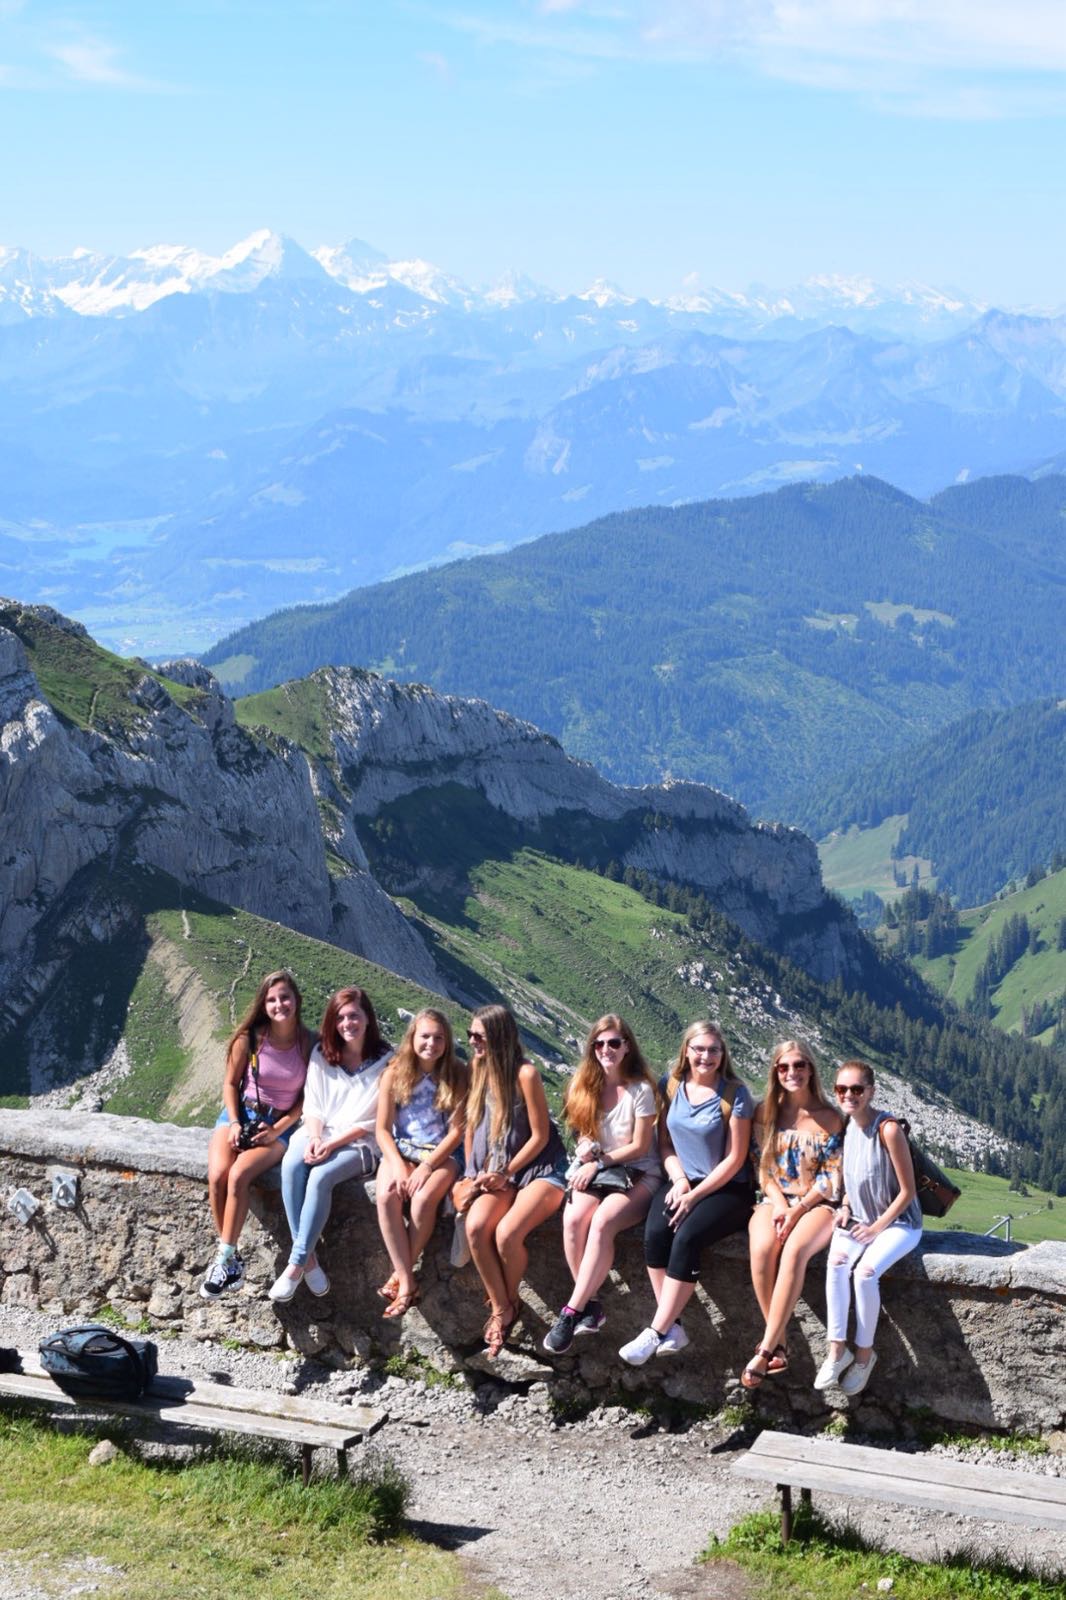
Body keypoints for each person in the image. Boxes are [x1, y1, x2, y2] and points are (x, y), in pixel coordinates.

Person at [619, 1021, 754, 1366]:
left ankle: (655, 1330)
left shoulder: (734, 1094)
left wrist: (694, 1196)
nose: (705, 1056)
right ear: (686, 1051)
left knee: (687, 1238)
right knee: (655, 1233)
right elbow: (663, 1143)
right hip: (683, 1179)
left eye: (713, 1050)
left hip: (727, 1189)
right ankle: (673, 1328)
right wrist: (679, 1181)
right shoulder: (671, 1085)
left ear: (723, 1055)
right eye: (699, 1049)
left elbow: (735, 1158)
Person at [544, 1015, 660, 1355]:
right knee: (573, 1219)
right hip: (600, 1169)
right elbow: (582, 1129)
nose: (606, 1050)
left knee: (602, 1223)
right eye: (599, 1044)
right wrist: (586, 1146)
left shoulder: (641, 1090)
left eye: (613, 1043)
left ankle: (570, 1311)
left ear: (627, 1047)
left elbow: (640, 1146)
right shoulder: (585, 1084)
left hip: (639, 1172)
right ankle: (591, 1305)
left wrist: (598, 1161)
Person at [268, 986, 390, 1302]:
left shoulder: (388, 1061)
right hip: (317, 1131)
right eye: (340, 1017)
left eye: (354, 1016)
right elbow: (314, 1105)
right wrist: (317, 1137)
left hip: (360, 1142)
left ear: (367, 1019)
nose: (347, 1023)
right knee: (293, 1165)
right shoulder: (323, 1054)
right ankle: (310, 1260)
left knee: (321, 1177)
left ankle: (295, 1266)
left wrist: (333, 1144)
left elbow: (376, 1120)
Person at [460, 1004, 567, 1358]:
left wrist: (505, 1173)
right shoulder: (478, 1068)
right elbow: (472, 1123)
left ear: (499, 1039)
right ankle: (503, 1305)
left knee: (507, 1235)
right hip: (498, 1167)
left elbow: (538, 1136)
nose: (473, 1042)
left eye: (480, 1036)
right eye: (471, 1034)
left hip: (539, 1167)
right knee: (476, 1228)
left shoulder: (526, 1075)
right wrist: (470, 1174)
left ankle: (505, 1307)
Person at [202, 969, 314, 1299]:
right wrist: (235, 1123)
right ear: (263, 1004)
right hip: (240, 1113)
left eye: (285, 997)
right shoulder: (249, 1039)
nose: (279, 1004)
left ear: (297, 1000)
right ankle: (231, 1260)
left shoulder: (308, 1044)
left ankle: (223, 1259)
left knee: (239, 1175)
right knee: (218, 1175)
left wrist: (277, 1129)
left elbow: (307, 1097)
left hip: (280, 1124)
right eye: (272, 999)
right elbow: (229, 1084)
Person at [814, 1060, 922, 1397]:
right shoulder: (849, 1127)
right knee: (836, 1265)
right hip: (859, 1218)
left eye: (857, 1089)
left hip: (898, 1223)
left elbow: (908, 1192)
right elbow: (850, 1180)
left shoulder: (887, 1129)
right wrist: (844, 1206)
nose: (849, 1095)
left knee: (865, 1274)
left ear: (871, 1092)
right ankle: (836, 1349)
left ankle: (863, 1356)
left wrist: (876, 1228)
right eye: (842, 1089)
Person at [741, 1039, 843, 1388]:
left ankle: (766, 1347)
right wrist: (781, 1205)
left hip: (817, 1203)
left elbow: (833, 1176)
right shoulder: (763, 1113)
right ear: (775, 1072)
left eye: (799, 1065)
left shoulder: (830, 1118)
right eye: (783, 1067)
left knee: (795, 1251)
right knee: (761, 1248)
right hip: (775, 1198)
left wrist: (797, 1209)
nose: (792, 1073)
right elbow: (761, 1167)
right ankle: (781, 1341)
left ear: (811, 1069)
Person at [374, 1009, 467, 1318]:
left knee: (423, 1201)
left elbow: (457, 1132)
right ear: (412, 1038)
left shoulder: (457, 1074)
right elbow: (382, 1129)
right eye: (425, 1036)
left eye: (439, 1038)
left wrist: (427, 1167)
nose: (431, 1043)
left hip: (442, 1154)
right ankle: (407, 1281)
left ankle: (399, 1278)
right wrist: (399, 1166)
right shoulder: (394, 1073)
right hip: (401, 1149)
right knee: (387, 1194)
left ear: (447, 1042)